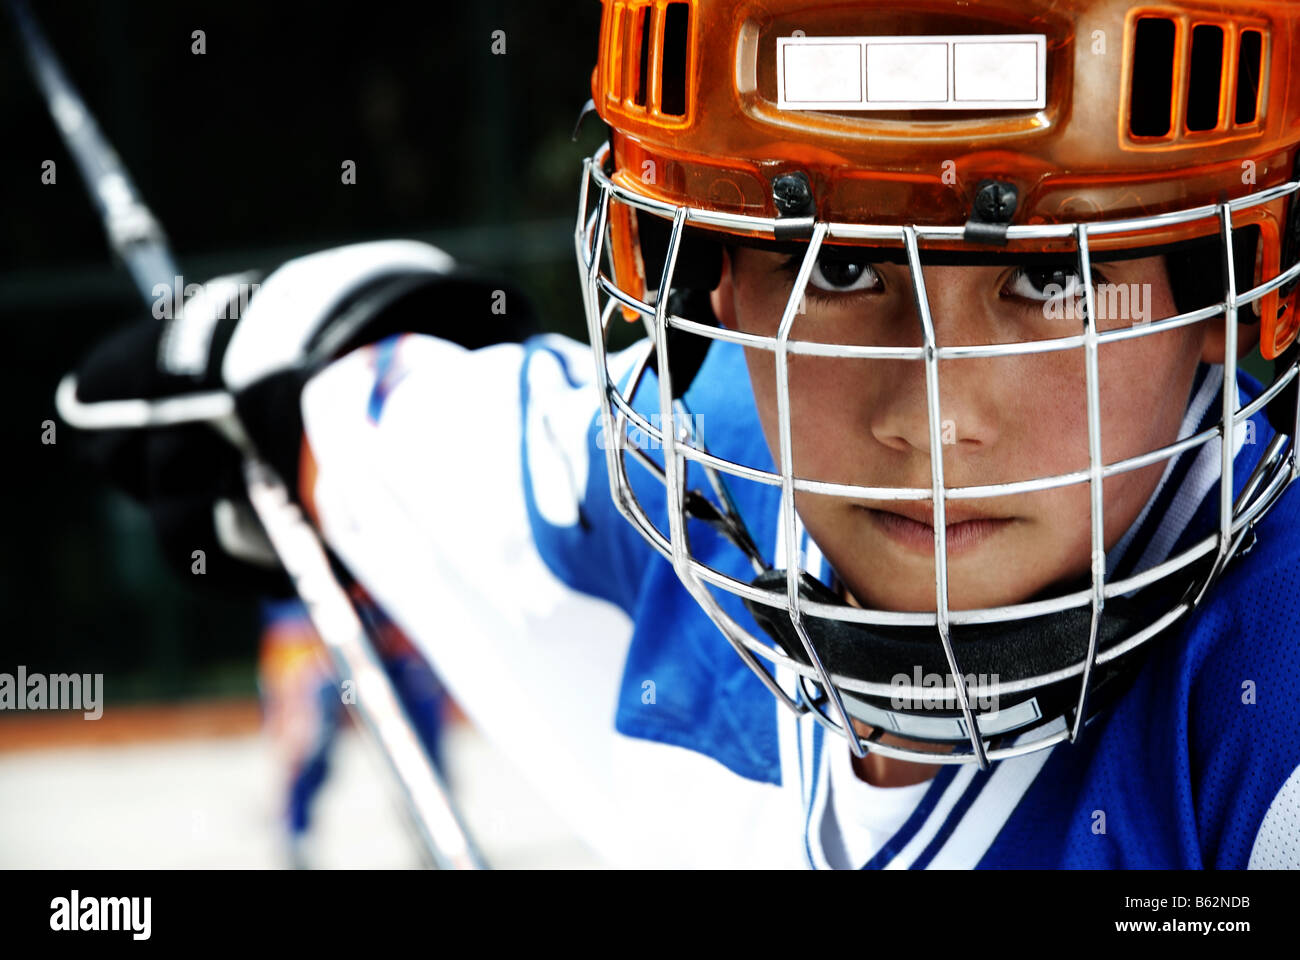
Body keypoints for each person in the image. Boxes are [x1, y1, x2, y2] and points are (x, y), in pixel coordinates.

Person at [65, 0, 1300, 868]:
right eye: (842, 269)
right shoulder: (655, 488)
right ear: (711, 277)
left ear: (1221, 296)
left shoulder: (1267, 707)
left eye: (1049, 281)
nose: (931, 418)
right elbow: (340, 394)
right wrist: (270, 368)